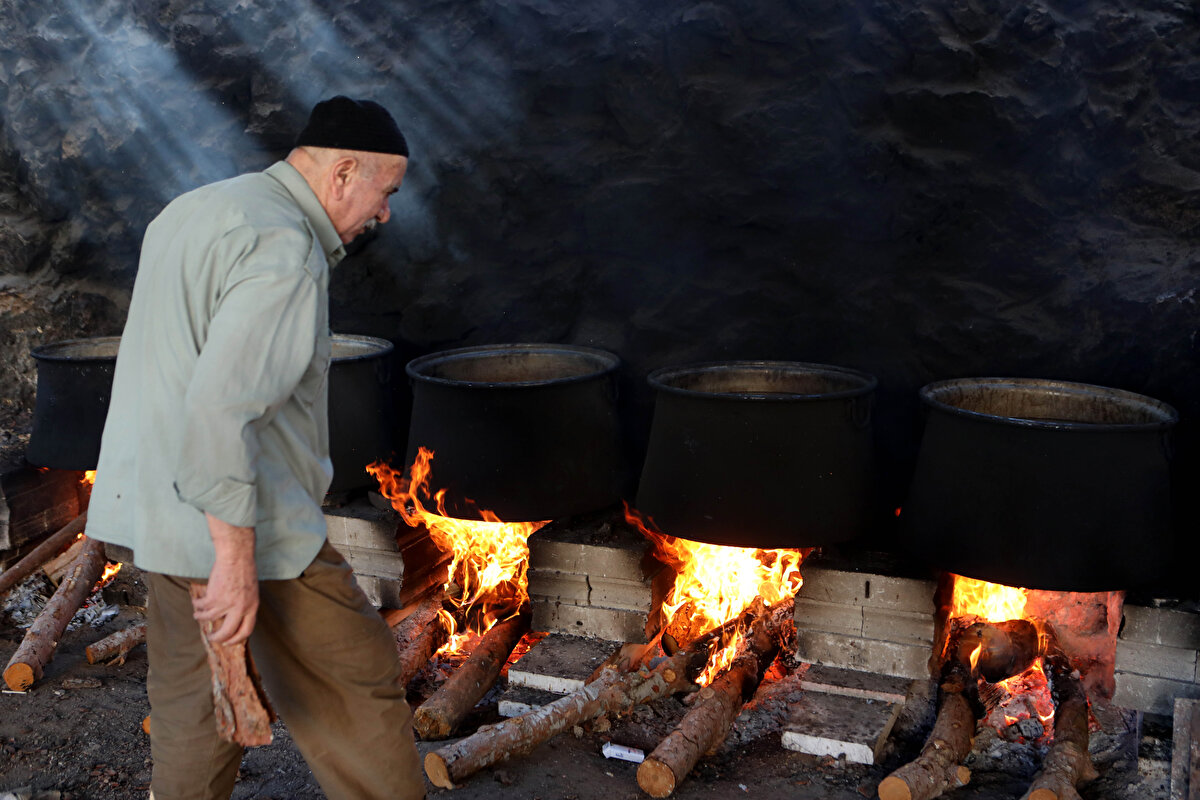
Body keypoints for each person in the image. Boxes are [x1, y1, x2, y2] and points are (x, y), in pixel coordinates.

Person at [86, 96, 425, 800]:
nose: (386, 213)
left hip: (164, 516)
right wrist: (234, 561)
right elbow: (222, 410)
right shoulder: (284, 249)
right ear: (343, 172)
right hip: (252, 528)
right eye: (385, 191)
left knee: (194, 705)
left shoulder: (194, 210)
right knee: (357, 677)